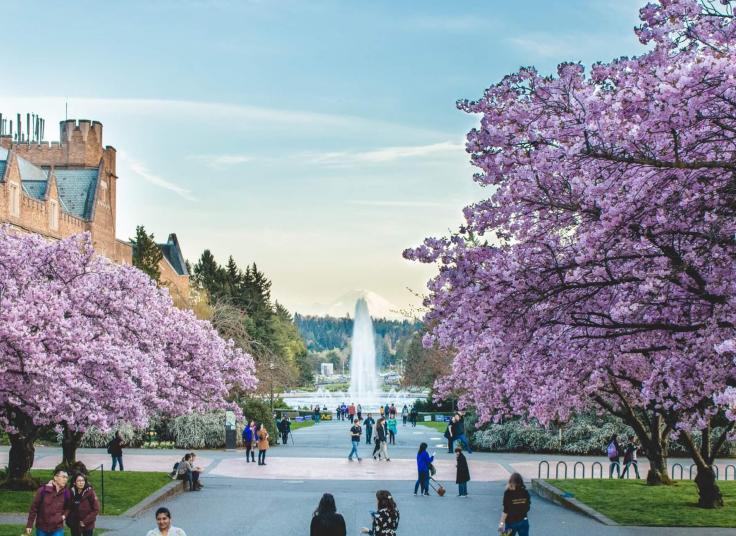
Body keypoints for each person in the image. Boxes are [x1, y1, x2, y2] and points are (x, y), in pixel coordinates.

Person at [25, 468, 71, 536]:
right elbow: (34, 508)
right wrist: (29, 524)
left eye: (67, 478)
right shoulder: (42, 490)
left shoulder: (66, 492)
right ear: (55, 477)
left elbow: (69, 507)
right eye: (63, 477)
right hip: (42, 528)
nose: (65, 479)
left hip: (57, 528)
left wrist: (63, 516)